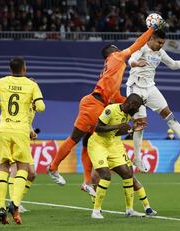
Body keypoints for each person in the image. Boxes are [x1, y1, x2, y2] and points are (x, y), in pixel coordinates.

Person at [47, 20, 164, 192]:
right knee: (79, 137)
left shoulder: (114, 70)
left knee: (87, 140)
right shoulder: (116, 57)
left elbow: (117, 98)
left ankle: (85, 181)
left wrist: (137, 105)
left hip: (97, 103)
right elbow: (138, 44)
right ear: (114, 51)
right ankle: (54, 168)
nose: (122, 51)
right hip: (93, 104)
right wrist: (151, 29)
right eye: (118, 49)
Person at [126, 29, 180, 172]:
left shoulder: (160, 53)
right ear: (151, 39)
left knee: (169, 115)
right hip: (135, 88)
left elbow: (174, 65)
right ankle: (137, 159)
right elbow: (131, 59)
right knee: (140, 124)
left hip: (150, 88)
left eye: (163, 43)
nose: (161, 45)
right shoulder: (142, 48)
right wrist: (136, 64)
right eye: (159, 42)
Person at [0, 56, 45, 225]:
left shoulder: (1, 82)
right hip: (20, 131)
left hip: (4, 129)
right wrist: (31, 105)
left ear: (10, 69)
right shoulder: (32, 85)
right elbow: (41, 107)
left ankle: (1, 207)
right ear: (24, 69)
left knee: (4, 166)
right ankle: (15, 204)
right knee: (23, 167)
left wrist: (2, 106)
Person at [88, 93, 146, 218]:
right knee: (106, 175)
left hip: (111, 145)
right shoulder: (111, 109)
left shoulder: (127, 115)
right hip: (97, 145)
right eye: (137, 107)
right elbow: (98, 128)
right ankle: (96, 211)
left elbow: (116, 132)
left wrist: (132, 129)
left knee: (128, 174)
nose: (137, 110)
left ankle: (129, 209)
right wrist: (118, 126)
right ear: (132, 104)